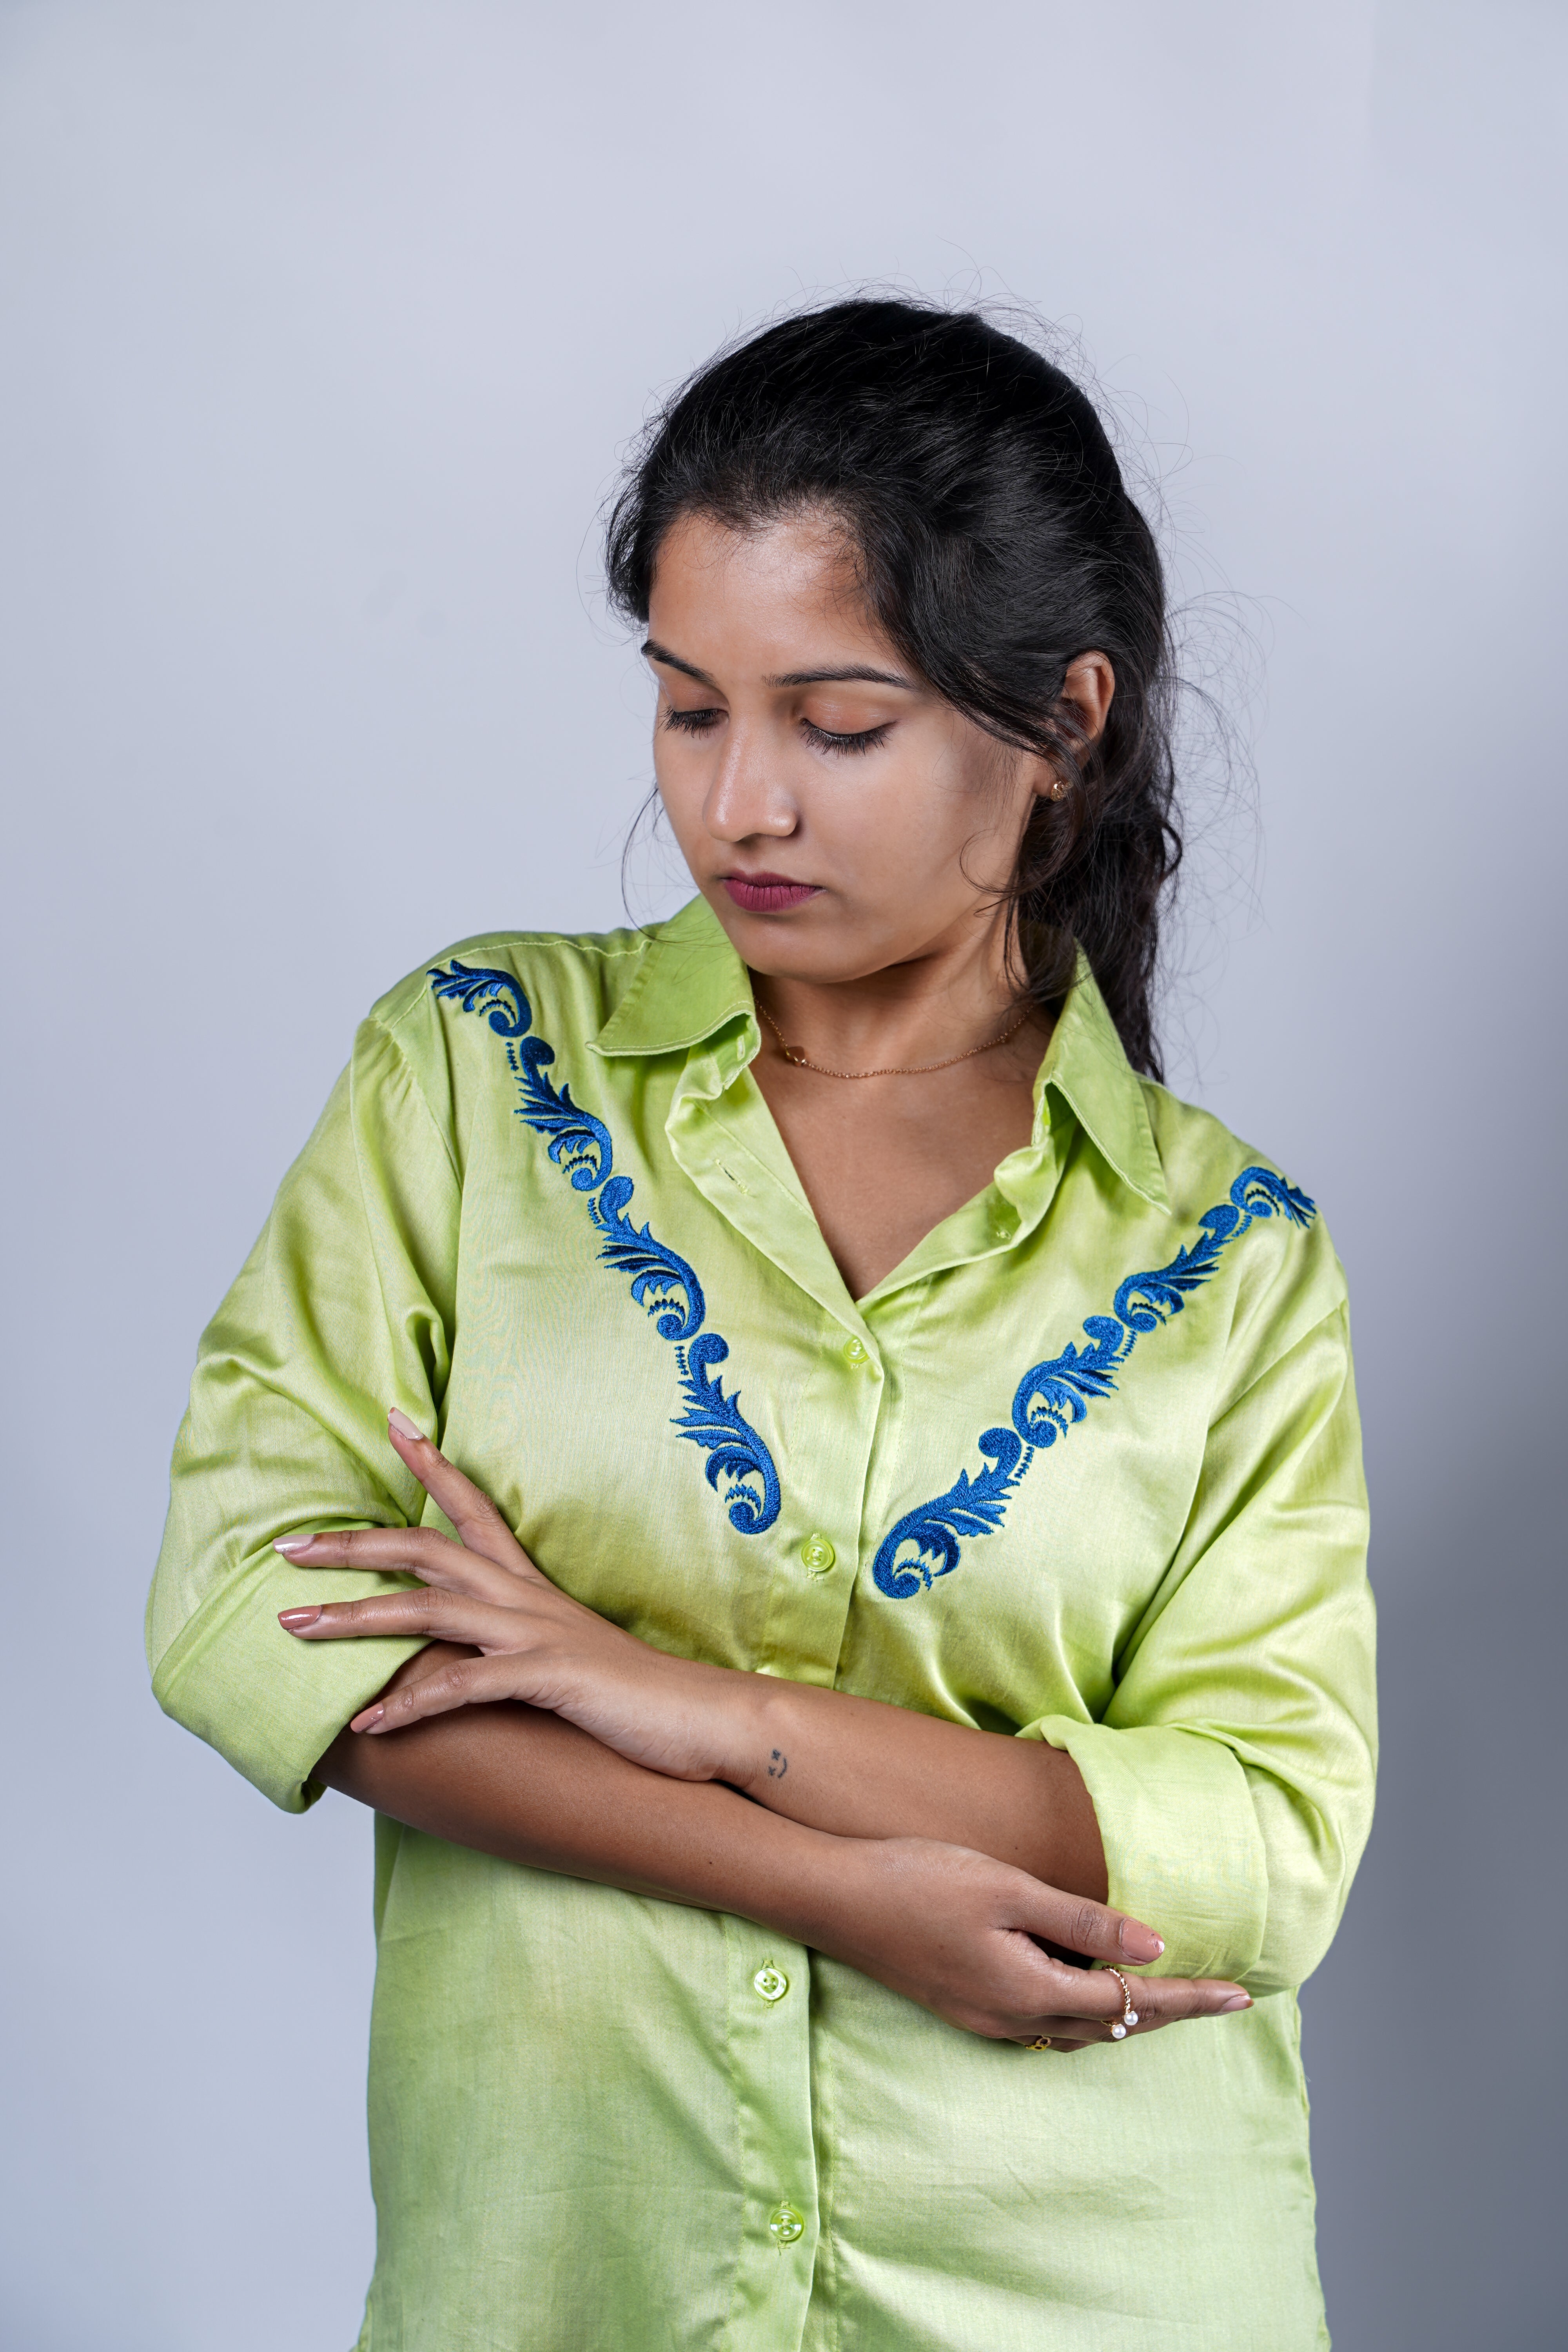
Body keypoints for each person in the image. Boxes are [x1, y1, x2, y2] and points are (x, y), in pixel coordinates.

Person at [148, 298, 1376, 2351]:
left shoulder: (1228, 1253)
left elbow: (1265, 1836)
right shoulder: (474, 1078)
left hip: (1097, 2284)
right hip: (566, 2284)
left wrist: (694, 1707)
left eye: (839, 722)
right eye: (688, 709)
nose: (741, 807)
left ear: (1060, 718)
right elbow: (249, 1609)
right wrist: (829, 1883)